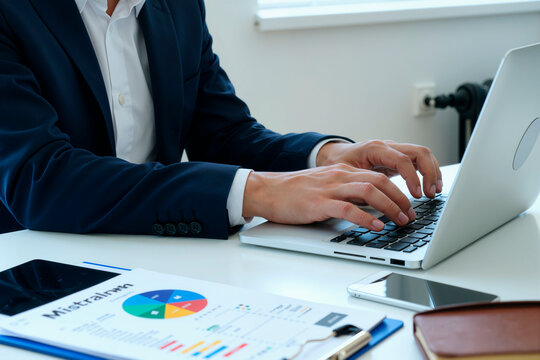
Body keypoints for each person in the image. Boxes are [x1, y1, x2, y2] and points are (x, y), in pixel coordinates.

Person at [0, 0, 442, 238]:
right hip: (30, 263)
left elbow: (223, 132)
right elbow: (41, 177)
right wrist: (257, 191)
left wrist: (327, 155)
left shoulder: (179, 7)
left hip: (158, 254)